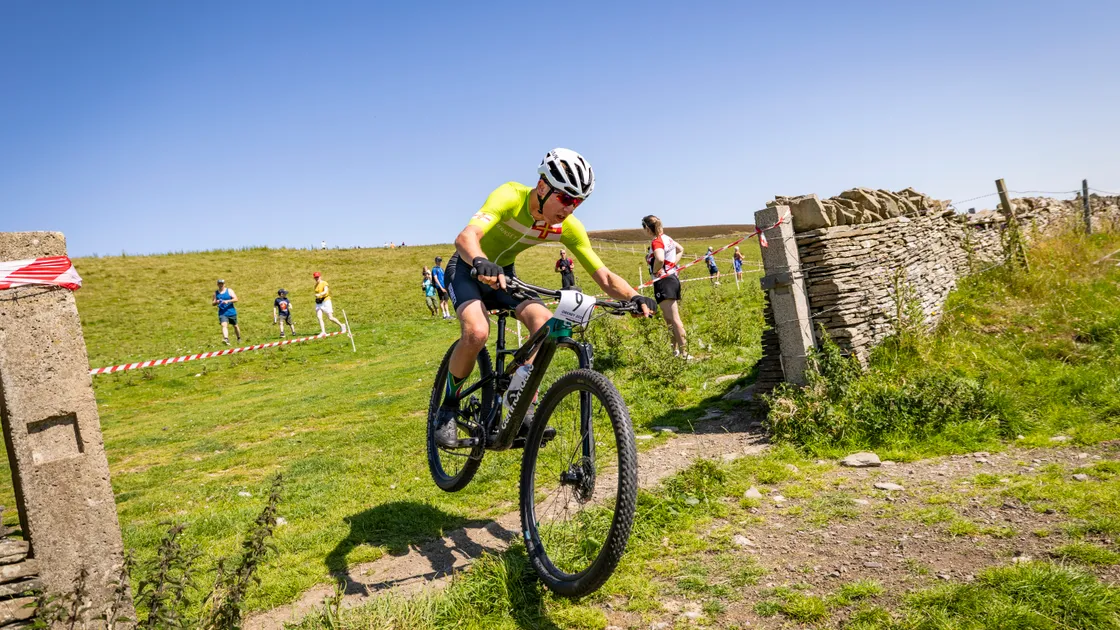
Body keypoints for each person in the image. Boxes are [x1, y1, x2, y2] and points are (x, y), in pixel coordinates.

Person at [434, 148, 657, 447]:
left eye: (577, 201)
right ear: (542, 187)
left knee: (545, 324)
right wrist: (478, 261)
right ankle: (448, 407)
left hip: (503, 276)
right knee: (476, 331)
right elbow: (466, 237)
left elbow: (602, 276)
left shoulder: (566, 227)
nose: (569, 208)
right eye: (565, 198)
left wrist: (635, 296)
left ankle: (520, 405)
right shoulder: (510, 196)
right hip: (467, 268)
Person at [643, 216, 690, 358]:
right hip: (671, 278)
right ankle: (675, 351)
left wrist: (658, 269)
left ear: (647, 228)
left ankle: (685, 353)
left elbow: (660, 258)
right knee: (668, 319)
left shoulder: (657, 241)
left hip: (663, 281)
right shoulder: (667, 238)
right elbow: (680, 249)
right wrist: (672, 265)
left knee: (674, 319)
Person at [212, 279, 242, 345]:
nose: (221, 285)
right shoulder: (215, 293)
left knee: (235, 326)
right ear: (217, 285)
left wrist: (228, 301)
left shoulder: (229, 291)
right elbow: (213, 303)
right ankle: (226, 339)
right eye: (219, 284)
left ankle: (239, 338)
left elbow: (236, 299)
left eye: (222, 284)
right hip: (222, 313)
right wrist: (216, 302)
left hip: (231, 311)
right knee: (224, 325)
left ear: (224, 284)